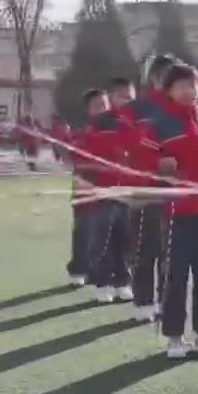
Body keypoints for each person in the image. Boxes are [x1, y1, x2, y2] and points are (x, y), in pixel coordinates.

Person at [152, 63, 198, 359]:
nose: (188, 90)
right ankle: (173, 338)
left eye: (192, 84)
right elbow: (148, 162)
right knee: (176, 276)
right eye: (181, 85)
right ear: (169, 91)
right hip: (176, 211)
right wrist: (160, 166)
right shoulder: (161, 126)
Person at [117, 54, 181, 324]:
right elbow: (125, 149)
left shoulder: (184, 109)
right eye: (165, 76)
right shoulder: (136, 110)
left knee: (173, 252)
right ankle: (144, 301)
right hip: (145, 189)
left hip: (177, 193)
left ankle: (167, 302)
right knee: (145, 248)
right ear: (153, 78)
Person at [76, 83, 137, 304]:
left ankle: (123, 281)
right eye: (122, 97)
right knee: (102, 240)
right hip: (102, 192)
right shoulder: (97, 126)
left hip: (127, 192)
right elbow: (86, 158)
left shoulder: (132, 122)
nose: (127, 101)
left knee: (125, 239)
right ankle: (103, 283)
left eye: (130, 97)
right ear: (113, 98)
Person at [67, 89, 109, 288]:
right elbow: (79, 162)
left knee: (105, 234)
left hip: (108, 192)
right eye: (97, 106)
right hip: (86, 192)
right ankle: (78, 269)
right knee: (83, 231)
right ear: (88, 110)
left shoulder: (115, 131)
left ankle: (98, 270)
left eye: (104, 104)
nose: (102, 109)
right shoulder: (83, 134)